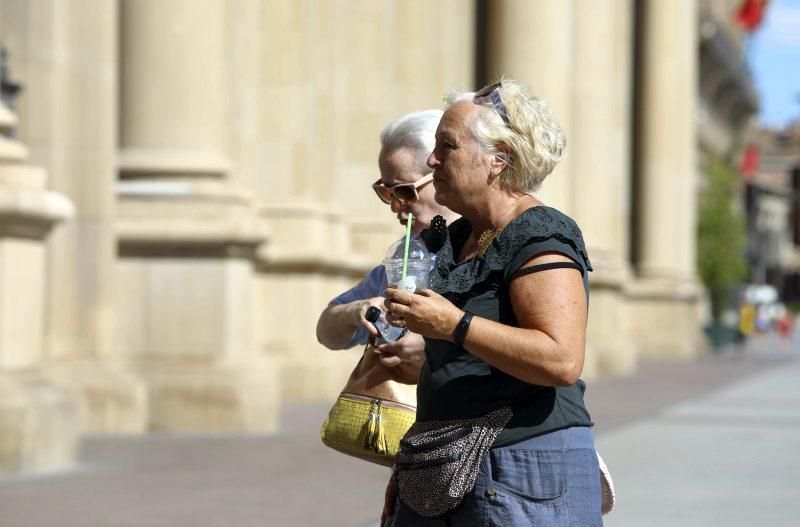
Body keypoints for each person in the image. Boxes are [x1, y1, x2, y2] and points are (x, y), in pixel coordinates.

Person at [381, 79, 602, 526]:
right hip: (441, 465)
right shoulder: (460, 236)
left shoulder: (541, 236)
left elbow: (561, 360)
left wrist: (455, 325)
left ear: (498, 160)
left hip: (524, 469)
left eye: (448, 146)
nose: (432, 160)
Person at [316, 109, 459, 370]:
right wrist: (357, 311)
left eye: (405, 190)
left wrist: (434, 353)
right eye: (385, 191)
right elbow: (326, 331)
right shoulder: (405, 257)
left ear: (441, 175)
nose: (395, 206)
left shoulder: (487, 246)